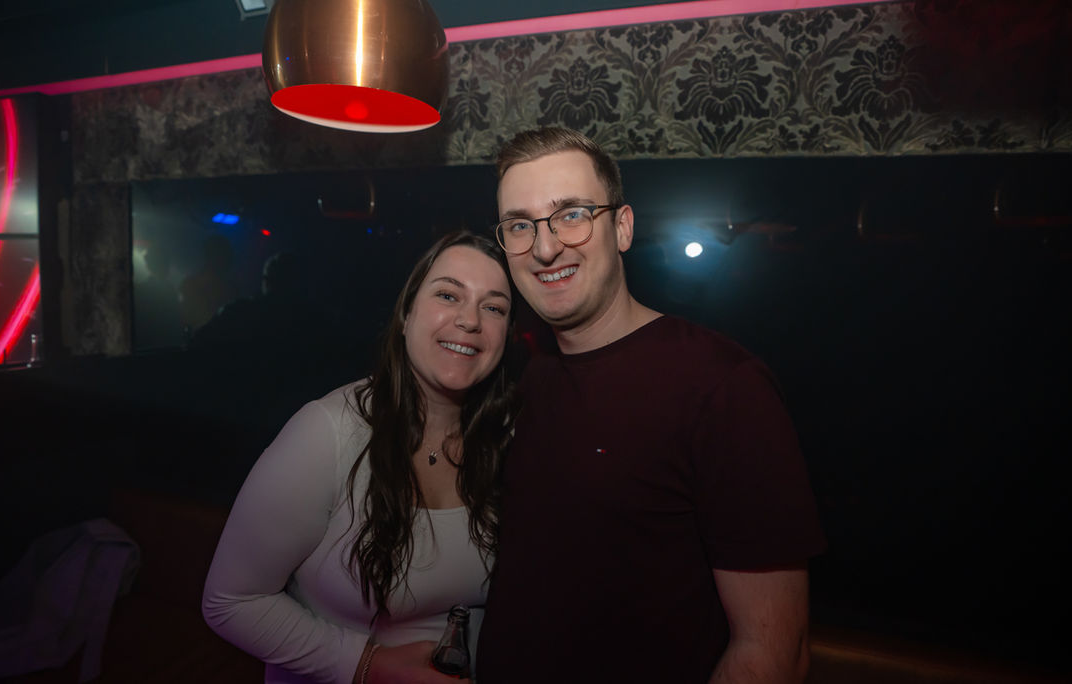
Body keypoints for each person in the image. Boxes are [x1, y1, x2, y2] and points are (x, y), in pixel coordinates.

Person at [476, 127, 827, 683]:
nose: (544, 248)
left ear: (622, 227)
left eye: (572, 215)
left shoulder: (723, 387)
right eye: (521, 225)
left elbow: (772, 652)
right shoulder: (525, 378)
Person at [203, 231, 516, 684]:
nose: (470, 320)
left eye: (494, 307)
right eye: (448, 295)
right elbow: (230, 601)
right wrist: (366, 664)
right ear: (406, 315)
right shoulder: (326, 433)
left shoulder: (509, 440)